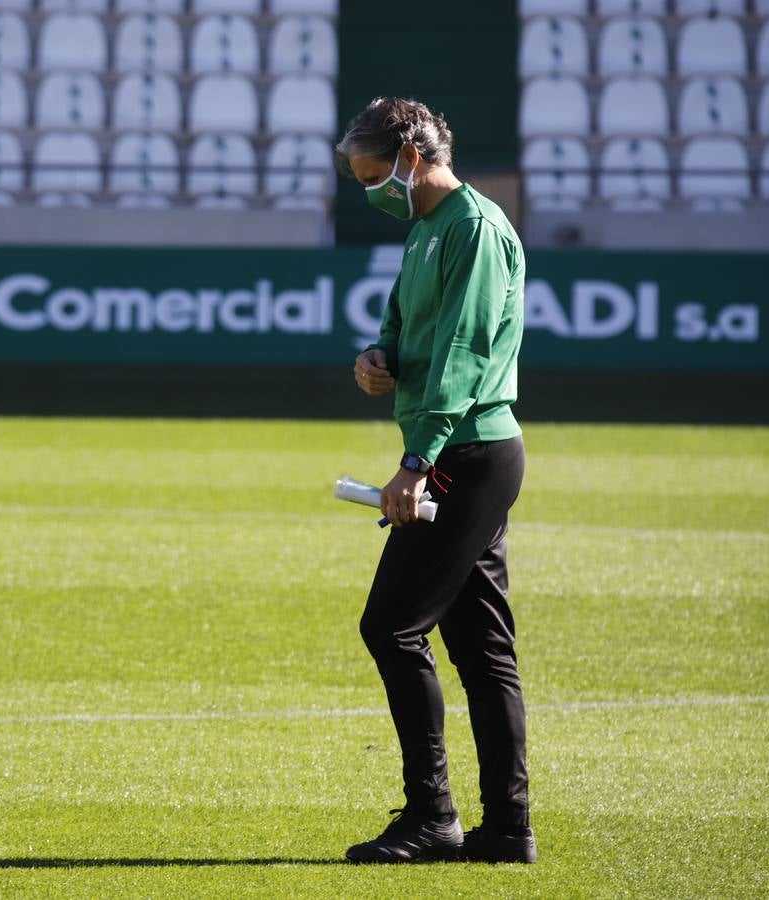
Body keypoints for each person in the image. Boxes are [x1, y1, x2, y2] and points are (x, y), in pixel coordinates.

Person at [334, 97, 536, 865]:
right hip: (462, 451)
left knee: (391, 626)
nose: (368, 189)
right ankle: (507, 830)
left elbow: (462, 355)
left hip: (466, 454)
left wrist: (417, 461)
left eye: (371, 174)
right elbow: (406, 328)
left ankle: (433, 815)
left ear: (412, 155)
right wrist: (377, 359)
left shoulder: (475, 229)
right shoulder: (426, 230)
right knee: (481, 648)